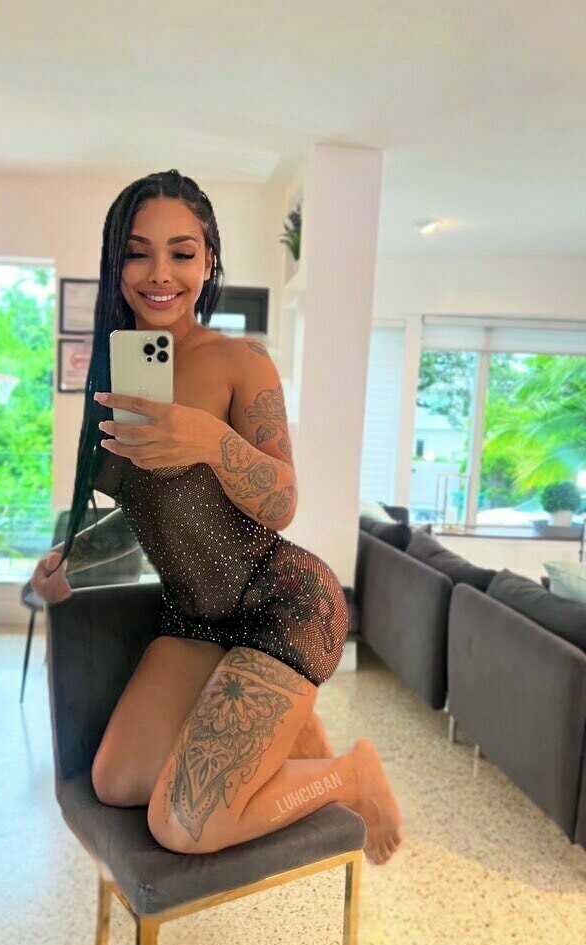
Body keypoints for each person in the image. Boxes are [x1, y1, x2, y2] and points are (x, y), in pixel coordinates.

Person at [32, 169, 402, 865]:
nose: (159, 273)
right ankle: (281, 733)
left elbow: (282, 503)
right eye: (137, 253)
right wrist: (69, 560)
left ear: (208, 262)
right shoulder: (114, 376)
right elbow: (145, 516)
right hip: (194, 616)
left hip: (282, 603)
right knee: (117, 782)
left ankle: (349, 773)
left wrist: (210, 441)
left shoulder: (240, 361)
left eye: (182, 252)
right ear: (115, 265)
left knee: (184, 825)